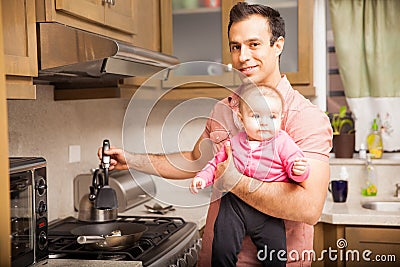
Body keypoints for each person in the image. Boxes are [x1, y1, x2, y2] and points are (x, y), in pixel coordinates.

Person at [98, 2, 332, 266]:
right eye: (236, 46)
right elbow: (196, 159)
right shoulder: (224, 108)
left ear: (277, 45)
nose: (243, 56)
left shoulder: (305, 116)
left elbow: (309, 208)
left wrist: (233, 178)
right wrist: (132, 160)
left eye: (254, 44)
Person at [190, 84, 310, 266]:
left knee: (275, 254)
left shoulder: (283, 142)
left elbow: (295, 163)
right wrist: (202, 178)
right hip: (234, 204)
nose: (264, 122)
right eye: (255, 116)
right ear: (241, 118)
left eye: (272, 117)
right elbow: (216, 164)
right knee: (222, 248)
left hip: (268, 208)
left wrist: (299, 171)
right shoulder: (234, 142)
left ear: (281, 118)